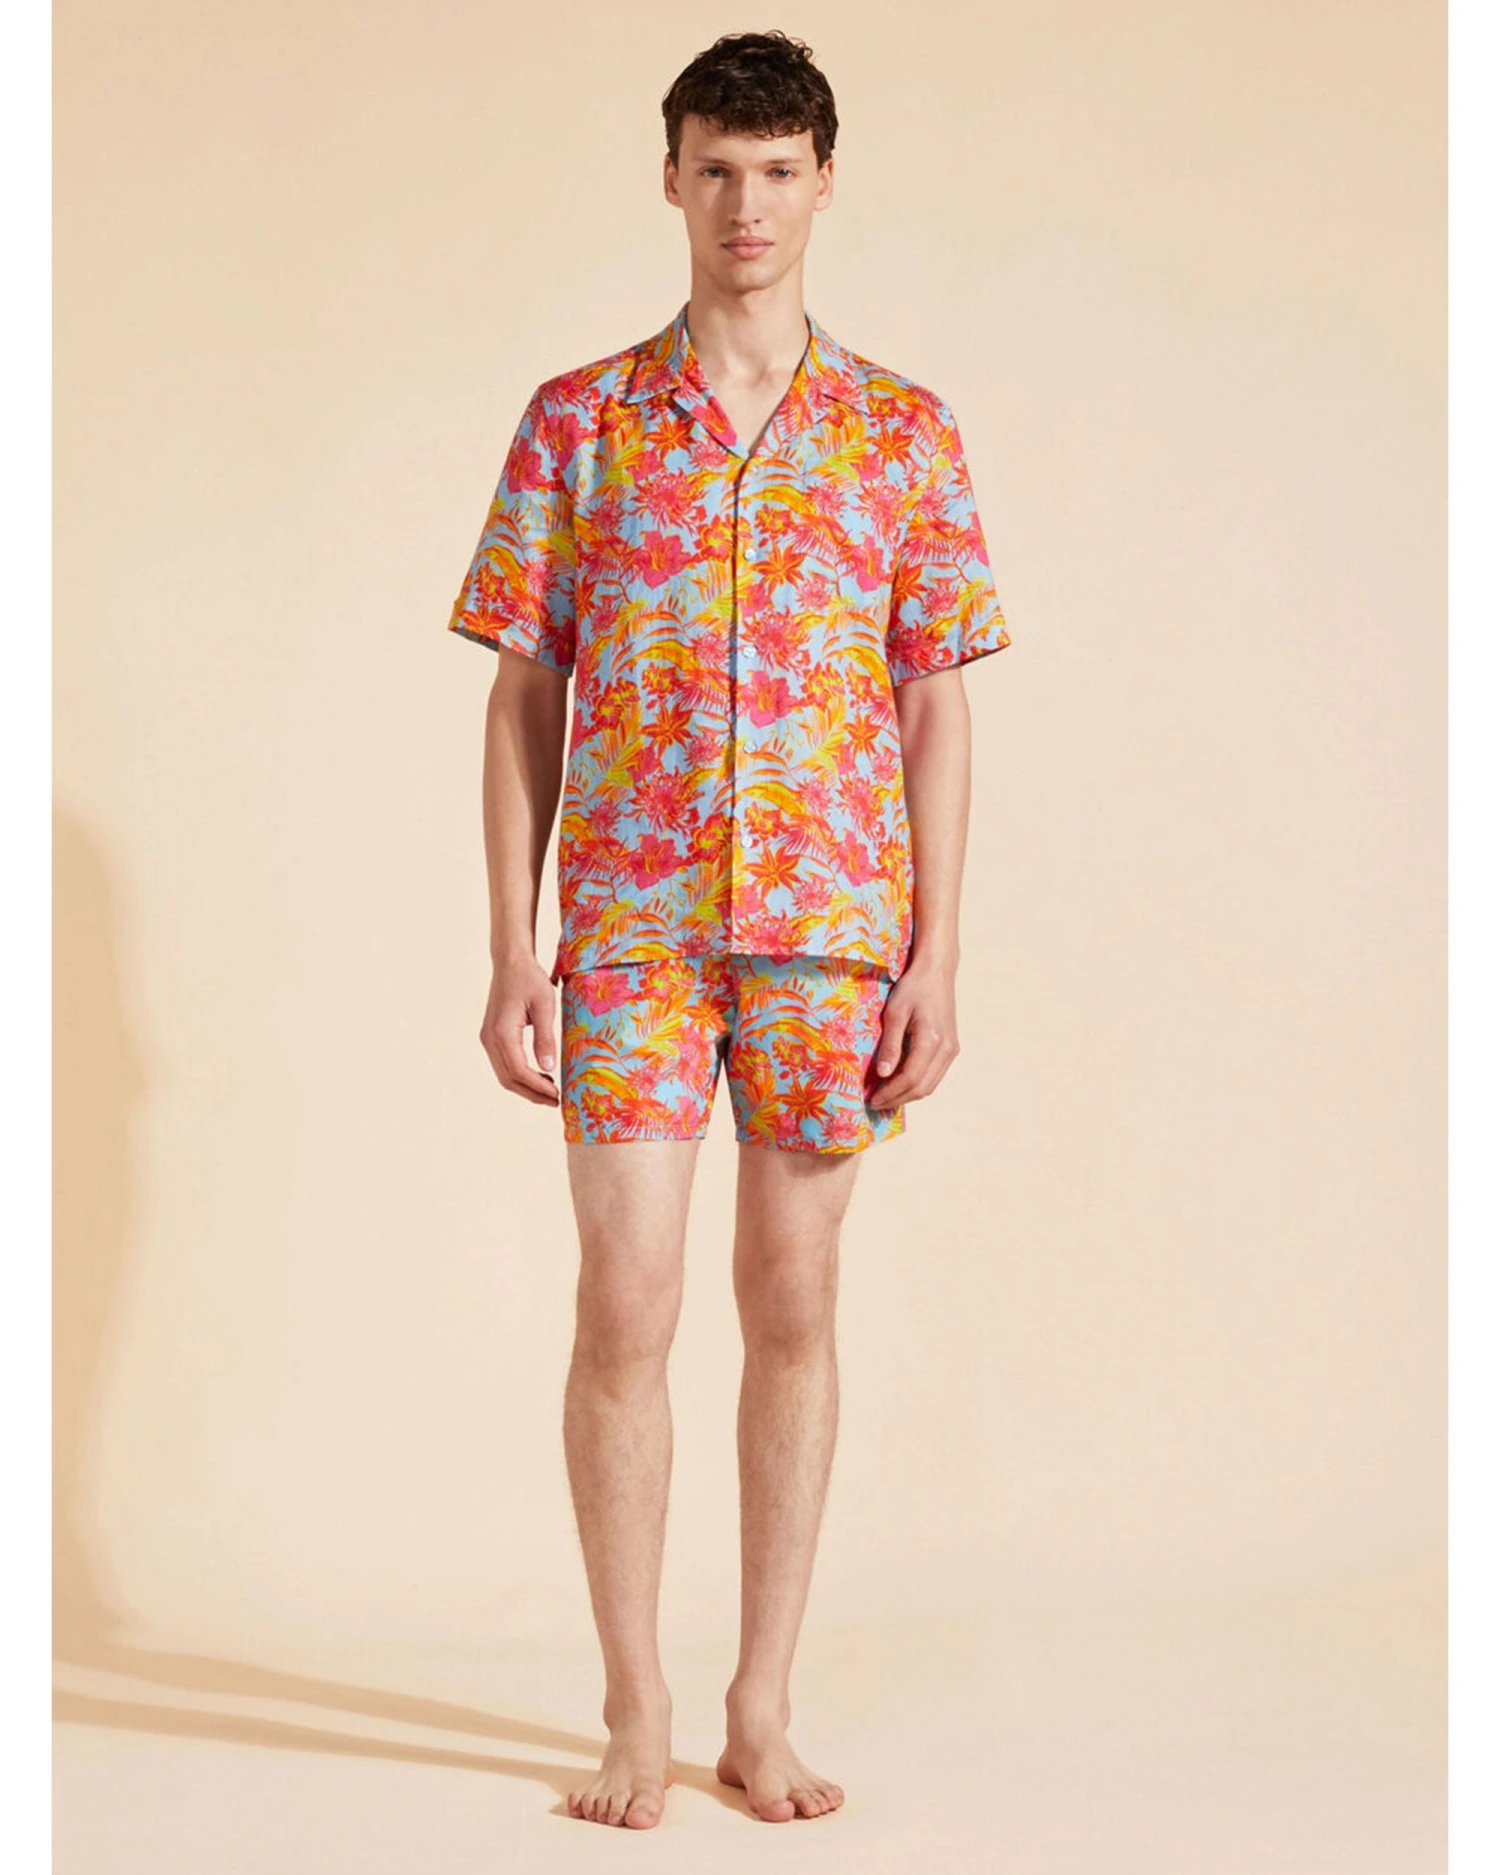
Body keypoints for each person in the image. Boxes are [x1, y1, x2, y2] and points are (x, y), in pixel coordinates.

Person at [446, 29, 1010, 1831]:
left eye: (776, 171)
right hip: (627, 930)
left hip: (833, 934)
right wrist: (514, 942)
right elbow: (524, 690)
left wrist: (936, 953)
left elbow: (934, 700)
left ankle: (763, 1702)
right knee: (626, 1301)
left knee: (795, 1298)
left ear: (823, 182)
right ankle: (636, 1704)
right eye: (716, 168)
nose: (745, 203)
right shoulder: (581, 423)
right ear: (672, 179)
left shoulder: (902, 434)